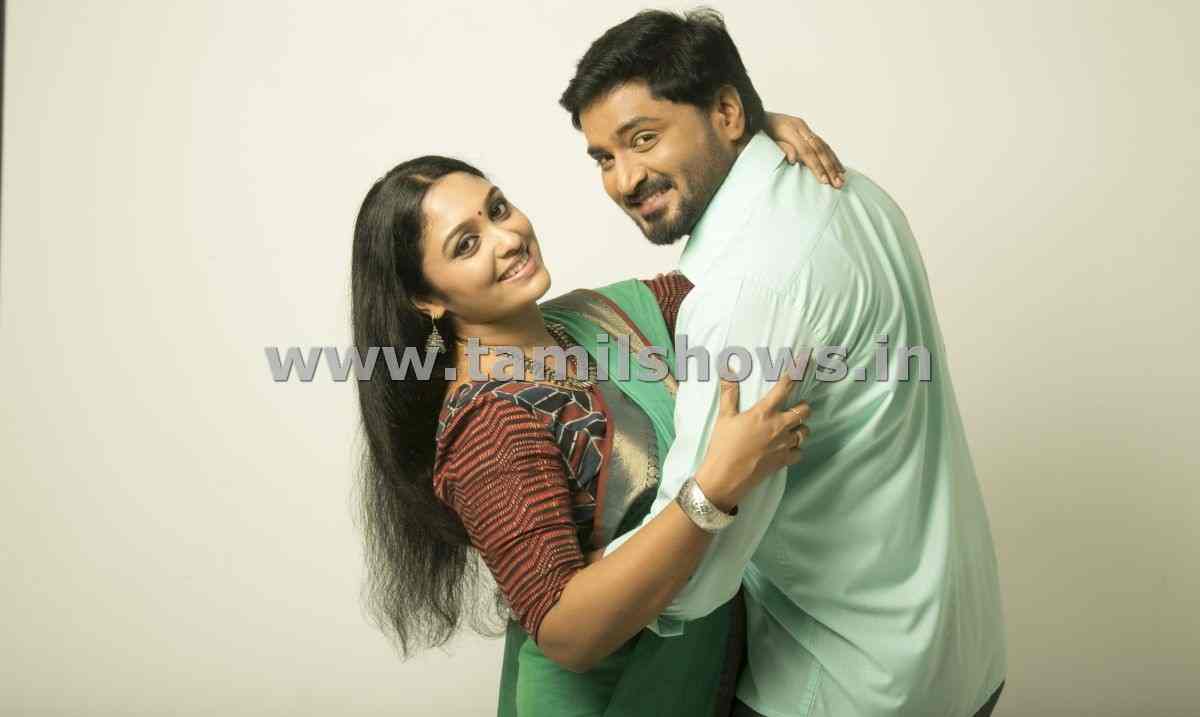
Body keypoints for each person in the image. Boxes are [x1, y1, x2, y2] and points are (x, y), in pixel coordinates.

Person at [559, 9, 1007, 717]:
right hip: (960, 651)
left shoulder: (747, 292)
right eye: (603, 158)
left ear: (726, 112)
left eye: (643, 139)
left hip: (845, 682)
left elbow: (697, 576)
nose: (624, 179)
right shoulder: (849, 190)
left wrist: (579, 597)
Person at [351, 119, 844, 715]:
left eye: (498, 209)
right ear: (427, 299)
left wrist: (740, 137)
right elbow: (567, 634)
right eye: (466, 244)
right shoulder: (488, 424)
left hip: (707, 667)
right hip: (610, 699)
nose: (507, 238)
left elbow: (733, 287)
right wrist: (714, 488)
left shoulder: (598, 316)